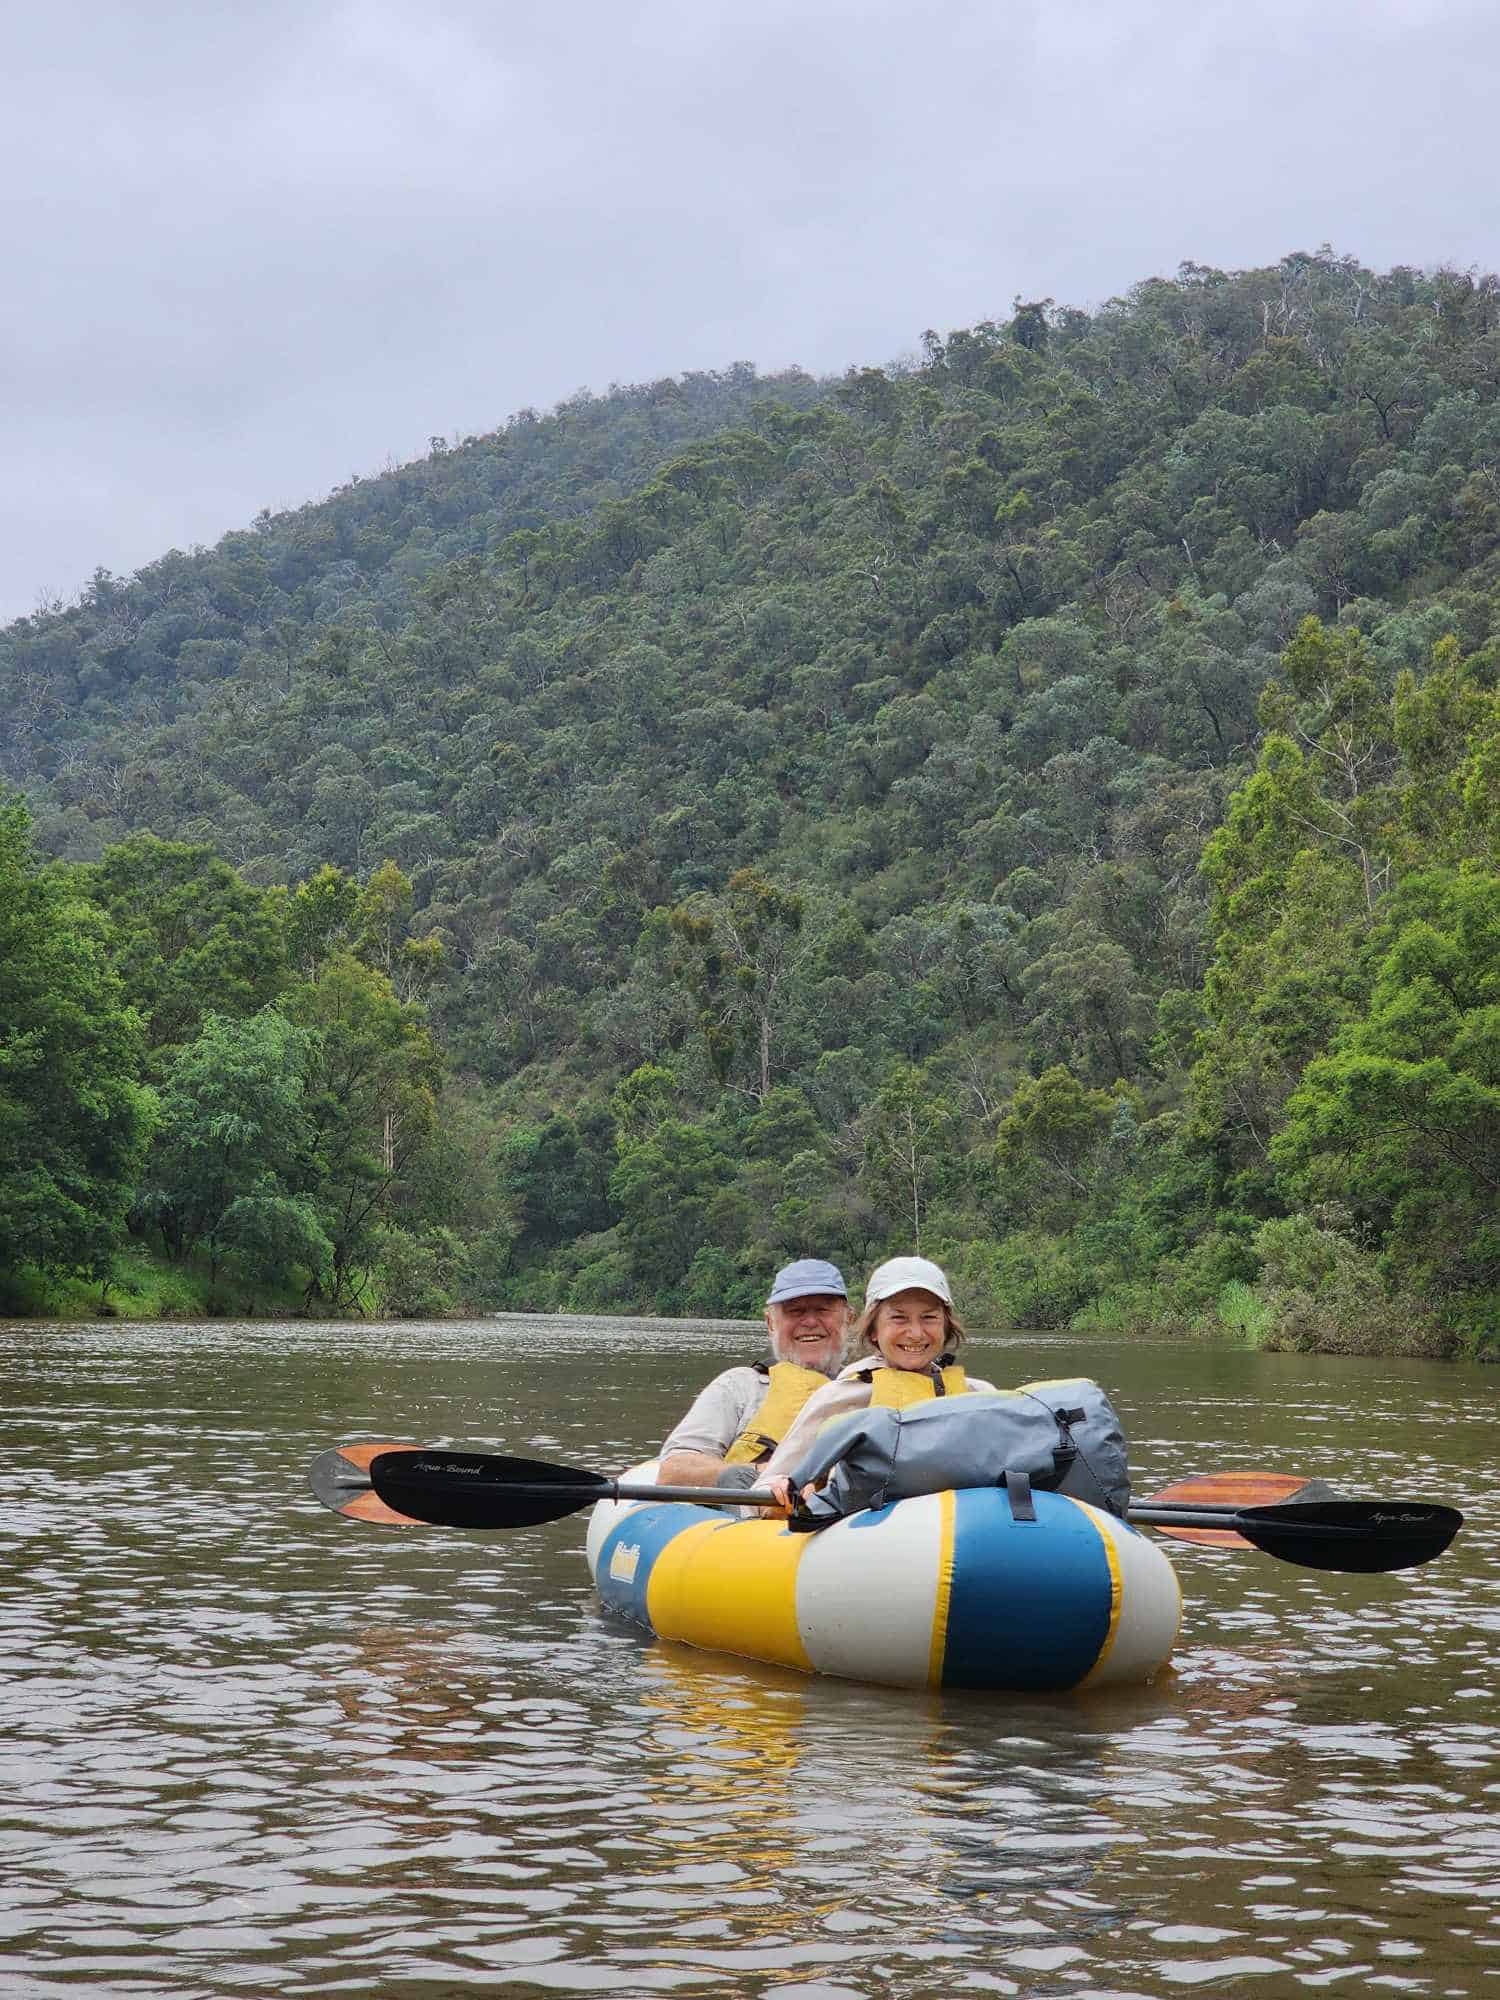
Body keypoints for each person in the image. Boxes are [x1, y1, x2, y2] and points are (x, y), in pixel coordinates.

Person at [760, 1254, 997, 1508]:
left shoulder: (980, 1396)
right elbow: (768, 1484)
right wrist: (780, 1491)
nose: (916, 1333)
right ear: (873, 1330)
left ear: (946, 1327)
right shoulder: (841, 1396)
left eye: (929, 1318)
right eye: (899, 1318)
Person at [656, 1258, 851, 1489]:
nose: (809, 1321)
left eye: (823, 1310)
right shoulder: (739, 1386)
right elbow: (673, 1471)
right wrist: (764, 1472)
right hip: (753, 1515)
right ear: (770, 1323)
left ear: (848, 1318)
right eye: (795, 1311)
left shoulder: (868, 1387)